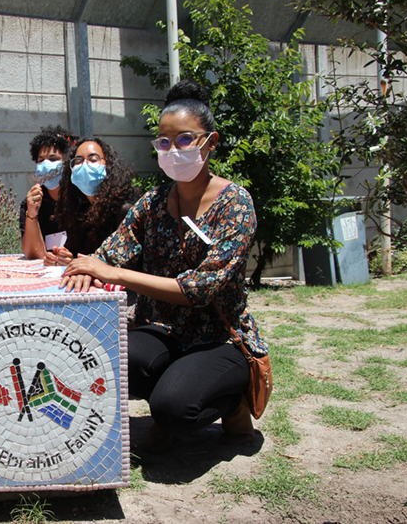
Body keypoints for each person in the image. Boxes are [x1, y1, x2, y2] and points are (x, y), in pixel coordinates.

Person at [60, 79, 267, 450]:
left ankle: (231, 401)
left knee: (174, 410)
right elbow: (109, 254)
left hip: (219, 338)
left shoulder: (235, 204)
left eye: (185, 140)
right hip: (164, 330)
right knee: (100, 363)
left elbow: (198, 291)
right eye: (164, 142)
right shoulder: (153, 203)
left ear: (211, 142)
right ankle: (177, 382)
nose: (173, 150)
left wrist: (116, 274)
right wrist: (80, 268)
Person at [47, 137, 138, 266]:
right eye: (78, 161)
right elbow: (80, 256)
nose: (85, 165)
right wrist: (66, 258)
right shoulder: (79, 211)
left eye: (93, 159)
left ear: (109, 165)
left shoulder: (124, 211)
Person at [18, 125, 74, 259]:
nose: (46, 164)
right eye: (41, 160)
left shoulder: (79, 198)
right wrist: (32, 213)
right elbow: (33, 254)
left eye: (54, 159)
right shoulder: (30, 203)